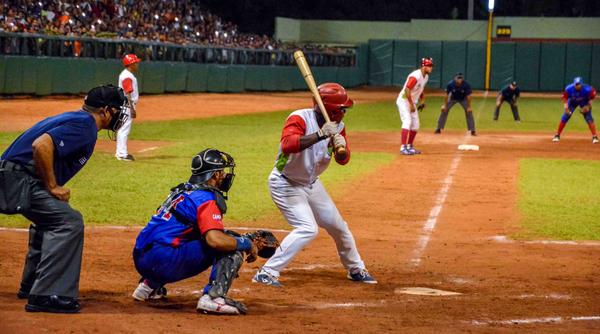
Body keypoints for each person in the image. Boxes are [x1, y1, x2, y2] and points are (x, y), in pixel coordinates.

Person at [0, 85, 128, 313]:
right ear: (106, 111)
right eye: (118, 110)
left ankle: (32, 286)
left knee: (54, 215)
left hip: (14, 176)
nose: (120, 115)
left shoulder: (77, 118)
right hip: (16, 180)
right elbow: (41, 145)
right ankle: (49, 294)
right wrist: (51, 185)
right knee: (68, 222)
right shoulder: (85, 126)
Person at [252, 83, 376, 287]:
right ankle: (266, 272)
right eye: (342, 108)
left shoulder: (339, 127)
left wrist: (340, 148)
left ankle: (355, 269)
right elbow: (288, 144)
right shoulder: (300, 118)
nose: (344, 112)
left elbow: (343, 160)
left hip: (311, 184)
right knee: (308, 228)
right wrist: (320, 135)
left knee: (338, 227)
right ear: (331, 109)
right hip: (286, 184)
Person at [131, 149, 257, 315]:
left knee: (182, 235)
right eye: (222, 171)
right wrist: (246, 243)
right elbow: (215, 241)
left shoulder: (183, 190)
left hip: (141, 257)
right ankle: (213, 298)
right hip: (162, 262)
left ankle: (148, 286)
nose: (225, 176)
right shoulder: (206, 198)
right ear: (215, 174)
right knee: (230, 243)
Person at [396, 57, 433, 155]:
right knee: (407, 121)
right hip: (404, 101)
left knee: (416, 125)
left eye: (431, 66)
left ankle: (409, 146)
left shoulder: (426, 77)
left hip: (411, 101)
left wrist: (422, 101)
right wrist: (412, 104)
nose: (431, 68)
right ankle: (403, 148)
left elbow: (420, 89)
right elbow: (407, 89)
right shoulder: (415, 76)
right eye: (429, 66)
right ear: (423, 66)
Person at [553, 77, 597, 143]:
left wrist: (588, 106)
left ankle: (595, 136)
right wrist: (566, 108)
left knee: (589, 118)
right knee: (565, 117)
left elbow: (592, 97)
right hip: (572, 102)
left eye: (578, 84)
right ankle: (557, 135)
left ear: (581, 84)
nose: (577, 85)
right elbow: (564, 98)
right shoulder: (569, 89)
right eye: (576, 84)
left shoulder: (589, 89)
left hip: (584, 101)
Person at [116, 53, 141, 161]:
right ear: (131, 64)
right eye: (135, 63)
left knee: (122, 129)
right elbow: (128, 92)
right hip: (127, 105)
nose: (137, 65)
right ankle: (122, 154)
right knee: (124, 129)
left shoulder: (127, 74)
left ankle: (120, 152)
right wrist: (132, 108)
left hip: (125, 104)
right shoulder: (127, 76)